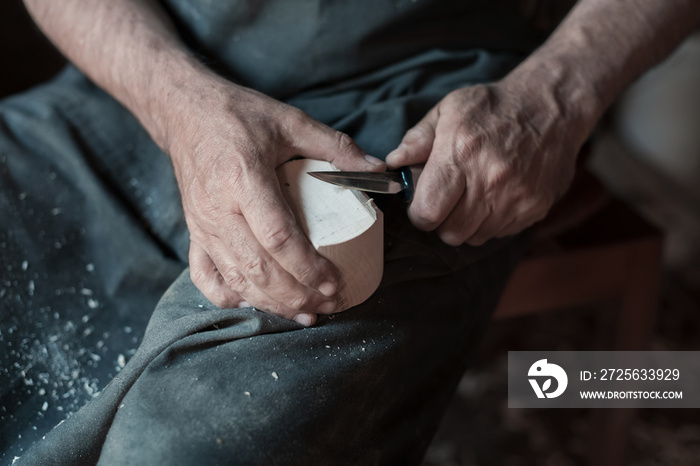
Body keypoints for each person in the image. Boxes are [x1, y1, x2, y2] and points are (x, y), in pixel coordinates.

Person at [1, 0, 698, 464]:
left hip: (432, 115)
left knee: (197, 438)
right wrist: (178, 106)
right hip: (144, 75)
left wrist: (563, 90)